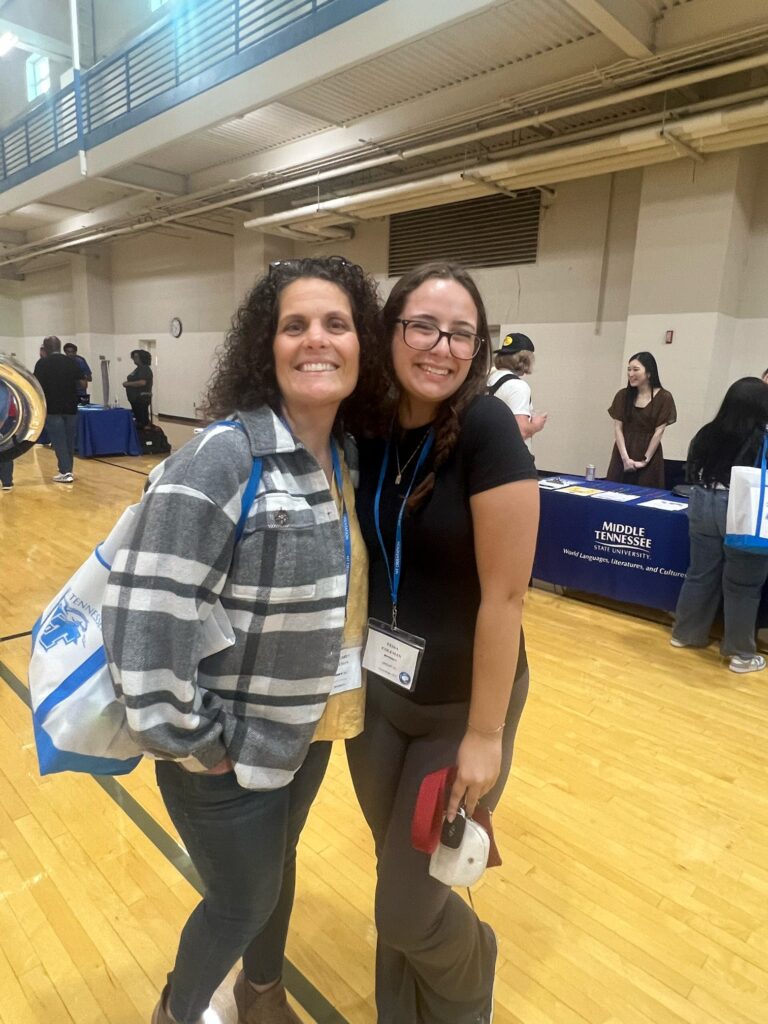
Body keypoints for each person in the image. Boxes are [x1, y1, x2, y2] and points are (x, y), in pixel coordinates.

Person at [101, 256, 382, 1024]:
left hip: (309, 732)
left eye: (337, 324)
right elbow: (141, 617)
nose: (317, 340)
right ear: (267, 347)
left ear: (364, 345)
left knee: (277, 871)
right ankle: (179, 1011)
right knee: (240, 900)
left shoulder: (346, 459)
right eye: (296, 325)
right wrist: (195, 737)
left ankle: (261, 994)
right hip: (225, 747)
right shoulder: (223, 457)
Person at [347, 262, 539, 1024]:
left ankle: (472, 980)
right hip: (379, 697)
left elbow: (506, 596)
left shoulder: (487, 429)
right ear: (390, 332)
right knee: (396, 869)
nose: (442, 346)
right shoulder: (369, 425)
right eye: (423, 326)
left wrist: (485, 737)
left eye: (463, 333)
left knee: (407, 909)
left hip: (463, 706)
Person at [671, 377, 768, 674]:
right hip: (741, 510)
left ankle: (685, 634)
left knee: (700, 573)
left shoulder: (707, 432)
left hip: (702, 502)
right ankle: (740, 653)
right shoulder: (762, 438)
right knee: (743, 586)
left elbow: (691, 469)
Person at [606, 351, 676, 488]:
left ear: (649, 373)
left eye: (636, 370)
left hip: (649, 454)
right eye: (629, 370)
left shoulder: (664, 397)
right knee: (613, 492)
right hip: (623, 452)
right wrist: (625, 459)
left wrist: (644, 461)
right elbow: (618, 428)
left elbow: (659, 432)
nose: (631, 374)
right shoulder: (622, 395)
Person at [33, 335, 82, 483]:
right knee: (69, 440)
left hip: (53, 407)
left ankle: (65, 471)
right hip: (71, 407)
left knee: (58, 440)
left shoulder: (42, 363)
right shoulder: (71, 361)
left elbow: (36, 385)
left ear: (46, 348)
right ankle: (68, 470)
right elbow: (82, 383)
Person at [486, 332, 547, 447]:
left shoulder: (488, 380)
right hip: (512, 461)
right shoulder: (518, 386)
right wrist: (536, 425)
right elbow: (521, 430)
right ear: (525, 360)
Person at [123, 349, 153, 428]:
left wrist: (127, 384)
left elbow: (142, 382)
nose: (134, 359)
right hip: (135, 398)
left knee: (143, 421)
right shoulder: (138, 369)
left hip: (141, 398)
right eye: (133, 357)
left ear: (142, 358)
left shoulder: (145, 369)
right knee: (138, 420)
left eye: (136, 357)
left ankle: (146, 436)